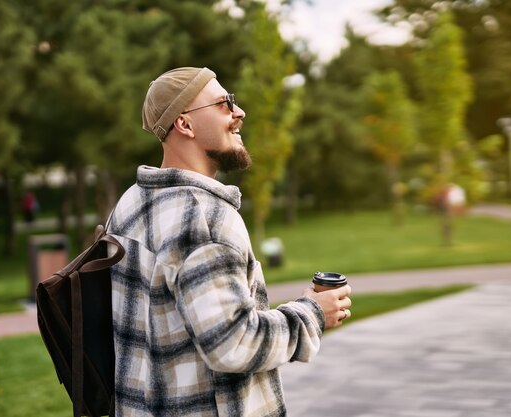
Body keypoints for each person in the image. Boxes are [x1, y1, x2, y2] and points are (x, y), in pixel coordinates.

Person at [107, 67, 352, 417]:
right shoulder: (202, 216)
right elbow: (234, 343)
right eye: (224, 103)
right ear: (185, 124)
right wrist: (312, 313)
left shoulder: (130, 204)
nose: (239, 112)